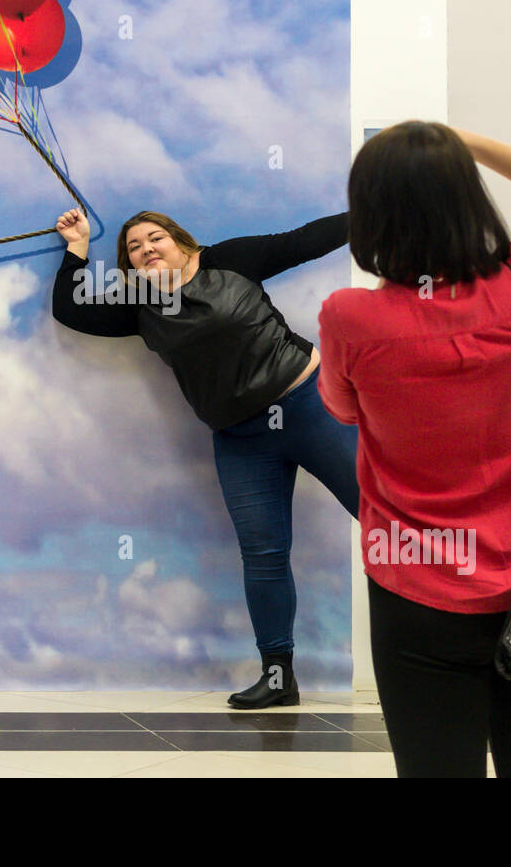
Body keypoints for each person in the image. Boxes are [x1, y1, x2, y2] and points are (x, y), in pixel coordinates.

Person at [316, 121, 511, 777]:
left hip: (418, 592)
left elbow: (341, 407)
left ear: (372, 214)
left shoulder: (349, 317)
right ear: (467, 198)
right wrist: (461, 142)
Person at [52, 204, 359, 708]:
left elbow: (305, 239)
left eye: (156, 238)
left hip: (309, 405)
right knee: (263, 555)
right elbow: (70, 309)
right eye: (133, 247)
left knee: (386, 518)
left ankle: (469, 633)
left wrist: (376, 204)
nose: (146, 248)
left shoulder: (232, 260)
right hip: (241, 439)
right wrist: (78, 248)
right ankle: (279, 679)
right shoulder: (138, 304)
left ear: (182, 242)